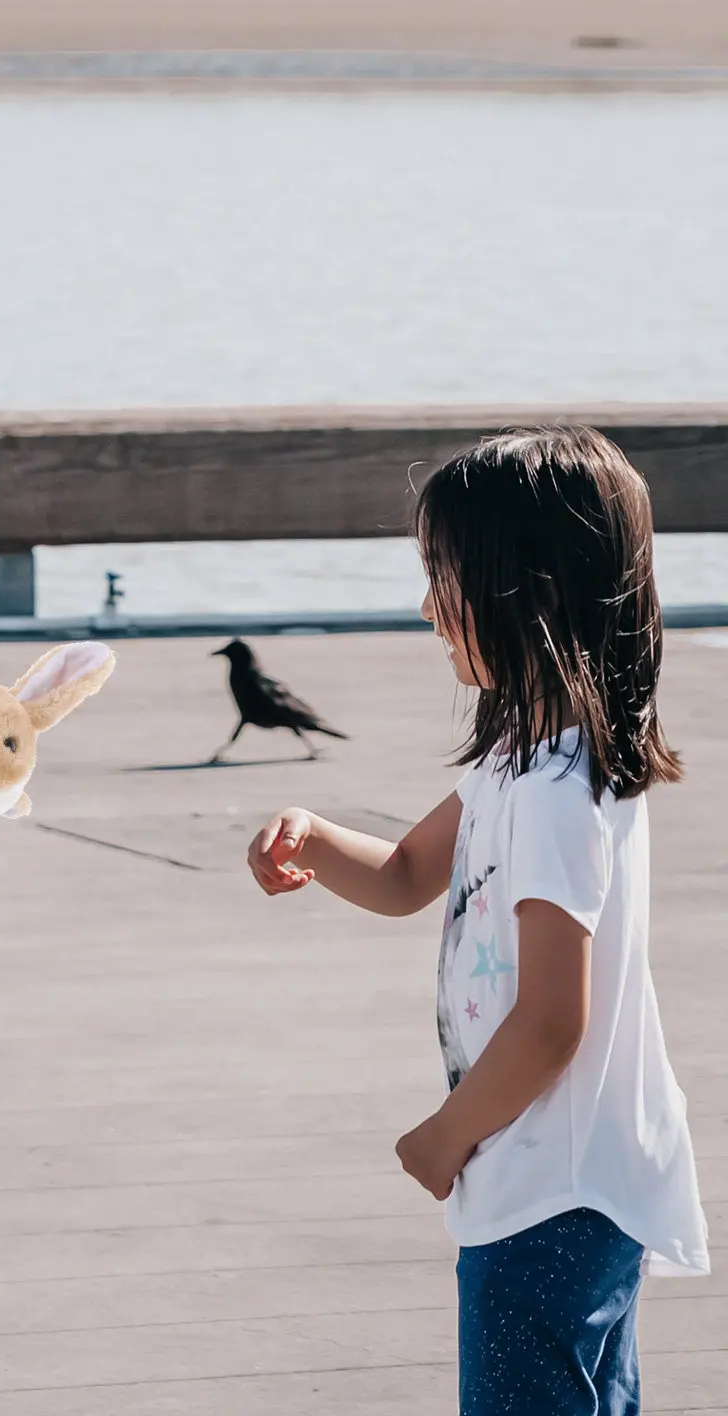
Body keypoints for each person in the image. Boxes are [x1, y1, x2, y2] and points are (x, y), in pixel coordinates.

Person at [245, 427, 709, 1414]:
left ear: (520, 588)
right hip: (558, 1168)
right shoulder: (519, 760)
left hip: (550, 1181)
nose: (425, 605)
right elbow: (411, 872)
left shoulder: (554, 790)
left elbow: (550, 1019)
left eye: (442, 573)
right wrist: (317, 838)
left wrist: (444, 1135)